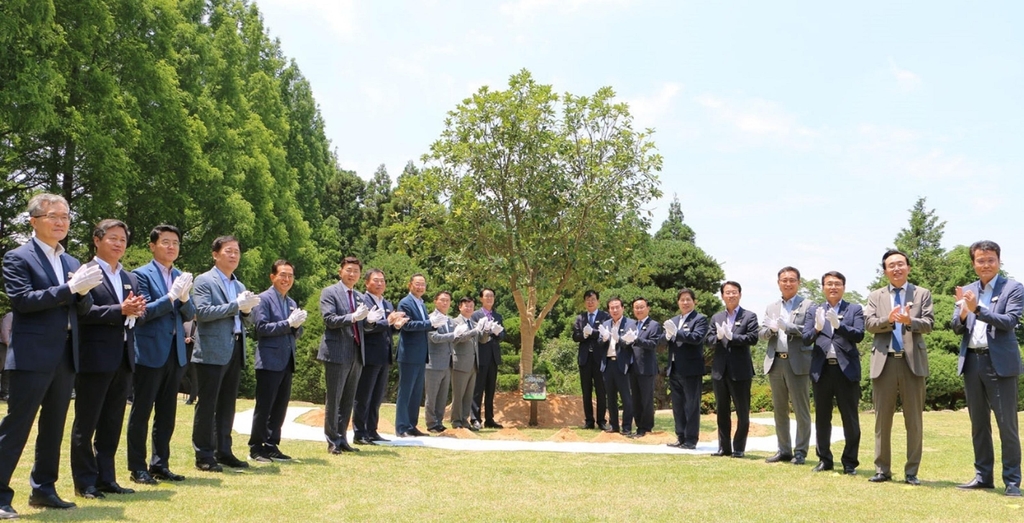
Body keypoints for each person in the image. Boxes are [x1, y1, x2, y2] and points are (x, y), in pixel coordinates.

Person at [0, 193, 100, 517]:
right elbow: (24, 301)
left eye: (66, 217)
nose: (61, 222)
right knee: (17, 427)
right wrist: (70, 290)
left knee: (54, 427)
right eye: (53, 216)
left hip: (65, 355)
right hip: (32, 355)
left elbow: (81, 309)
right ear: (34, 221)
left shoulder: (71, 262)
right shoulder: (18, 257)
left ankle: (44, 489)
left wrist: (83, 291)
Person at [71, 220, 147, 499]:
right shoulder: (85, 272)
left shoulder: (130, 277)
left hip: (124, 358)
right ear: (97, 240)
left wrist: (138, 310)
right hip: (95, 357)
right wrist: (120, 309)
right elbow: (82, 313)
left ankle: (107, 478)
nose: (118, 244)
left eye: (123, 240)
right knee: (86, 422)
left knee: (112, 422)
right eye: (113, 238)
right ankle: (85, 482)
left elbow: (137, 311)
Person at [952, 241, 1023, 497]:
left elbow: (1009, 321)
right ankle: (983, 476)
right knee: (978, 424)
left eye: (990, 259)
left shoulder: (1013, 288)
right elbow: (956, 326)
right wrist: (962, 313)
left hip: (999, 364)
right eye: (980, 260)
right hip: (971, 361)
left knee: (1007, 425)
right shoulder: (967, 290)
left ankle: (1013, 481)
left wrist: (977, 309)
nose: (986, 264)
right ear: (973, 263)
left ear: (999, 261)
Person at [128, 224, 195, 484]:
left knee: (167, 413)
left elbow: (190, 315)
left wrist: (185, 297)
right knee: (142, 411)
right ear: (152, 245)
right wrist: (170, 297)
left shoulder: (181, 275)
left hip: (176, 352)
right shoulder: (141, 275)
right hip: (149, 351)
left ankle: (160, 464)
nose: (171, 247)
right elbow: (142, 313)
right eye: (165, 242)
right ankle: (137, 467)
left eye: (175, 243)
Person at [864, 250, 933, 485]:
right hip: (884, 361)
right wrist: (890, 320)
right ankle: (882, 469)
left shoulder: (922, 293)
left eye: (900, 264)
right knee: (882, 420)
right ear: (885, 271)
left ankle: (912, 471)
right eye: (891, 265)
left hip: (912, 362)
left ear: (908, 267)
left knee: (913, 420)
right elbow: (870, 324)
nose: (896, 268)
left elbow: (929, 323)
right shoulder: (876, 295)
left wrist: (909, 321)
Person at [192, 236, 259, 471]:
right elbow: (202, 312)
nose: (233, 256)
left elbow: (246, 319)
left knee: (227, 405)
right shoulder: (204, 281)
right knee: (208, 404)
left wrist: (248, 310)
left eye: (237, 252)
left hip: (235, 347)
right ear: (215, 254)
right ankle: (204, 455)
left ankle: (224, 450)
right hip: (211, 350)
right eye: (228, 251)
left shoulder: (239, 285)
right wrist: (236, 306)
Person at [803, 271, 864, 475]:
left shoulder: (854, 309)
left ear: (843, 287)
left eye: (837, 284)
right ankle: (824, 459)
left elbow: (859, 335)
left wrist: (840, 326)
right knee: (822, 418)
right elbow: (805, 338)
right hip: (822, 370)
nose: (833, 287)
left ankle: (849, 462)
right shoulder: (814, 310)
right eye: (829, 284)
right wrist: (818, 329)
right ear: (823, 287)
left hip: (846, 370)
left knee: (850, 418)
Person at [249, 260, 307, 462]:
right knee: (264, 406)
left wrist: (297, 326)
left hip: (287, 359)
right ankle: (256, 447)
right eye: (283, 275)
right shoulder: (263, 299)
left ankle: (272, 444)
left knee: (280, 406)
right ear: (272, 276)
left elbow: (294, 333)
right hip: (269, 360)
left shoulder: (291, 302)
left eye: (290, 275)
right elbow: (262, 329)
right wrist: (288, 323)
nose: (287, 279)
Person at [759, 267, 814, 465]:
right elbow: (762, 332)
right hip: (776, 361)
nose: (788, 283)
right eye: (784, 280)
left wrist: (787, 327)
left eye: (792, 280)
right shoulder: (772, 307)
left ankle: (800, 451)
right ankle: (784, 450)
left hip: (797, 361)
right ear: (778, 282)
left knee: (801, 409)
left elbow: (809, 331)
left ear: (798, 282)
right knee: (779, 409)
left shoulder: (808, 305)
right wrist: (771, 331)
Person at [318, 256, 366, 454]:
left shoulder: (360, 297)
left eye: (356, 271)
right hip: (337, 351)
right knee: (334, 398)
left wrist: (370, 320)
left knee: (348, 399)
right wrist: (352, 317)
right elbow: (329, 319)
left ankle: (342, 438)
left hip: (356, 352)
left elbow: (363, 325)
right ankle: (332, 440)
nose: (352, 274)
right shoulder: (330, 292)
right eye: (349, 270)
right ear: (341, 271)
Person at [705, 281, 759, 458]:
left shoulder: (749, 316)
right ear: (722, 296)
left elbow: (752, 338)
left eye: (734, 292)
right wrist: (719, 338)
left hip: (740, 370)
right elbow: (708, 339)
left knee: (742, 411)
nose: (731, 295)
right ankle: (723, 447)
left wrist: (733, 337)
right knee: (722, 411)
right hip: (720, 370)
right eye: (727, 293)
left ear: (740, 294)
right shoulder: (716, 317)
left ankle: (739, 448)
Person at [353, 269, 405, 445]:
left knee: (377, 396)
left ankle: (372, 430)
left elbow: (385, 328)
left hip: (384, 354)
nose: (380, 284)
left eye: (382, 281)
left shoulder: (387, 303)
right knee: (364, 395)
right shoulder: (363, 301)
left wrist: (396, 326)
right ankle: (359, 432)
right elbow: (365, 328)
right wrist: (387, 322)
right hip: (369, 354)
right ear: (367, 283)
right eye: (376, 280)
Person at [664, 288, 708, 449]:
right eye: (682, 300)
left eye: (688, 299)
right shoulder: (674, 320)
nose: (685, 302)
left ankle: (691, 439)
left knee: (691, 405)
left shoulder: (700, 319)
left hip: (691, 369)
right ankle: (680, 436)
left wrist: (677, 333)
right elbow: (666, 340)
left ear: (694, 301)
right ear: (678, 302)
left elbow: (696, 338)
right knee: (678, 405)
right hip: (674, 368)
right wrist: (668, 336)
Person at [394, 274, 434, 438]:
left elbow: (424, 326)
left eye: (423, 284)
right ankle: (402, 427)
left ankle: (412, 425)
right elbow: (407, 326)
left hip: (420, 354)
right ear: (410, 285)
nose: (420, 287)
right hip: (409, 354)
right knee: (406, 391)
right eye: (417, 284)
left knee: (416, 392)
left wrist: (434, 324)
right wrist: (430, 323)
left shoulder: (422, 304)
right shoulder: (405, 303)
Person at [453, 297, 494, 430]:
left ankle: (464, 420)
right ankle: (456, 421)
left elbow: (481, 341)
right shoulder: (455, 322)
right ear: (460, 307)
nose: (469, 308)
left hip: (473, 364)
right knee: (458, 395)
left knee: (468, 395)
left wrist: (486, 331)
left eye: (471, 306)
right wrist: (475, 331)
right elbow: (458, 339)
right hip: (460, 363)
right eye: (466, 306)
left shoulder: (473, 322)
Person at [571, 290, 610, 430]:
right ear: (584, 302)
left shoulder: (605, 316)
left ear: (598, 301)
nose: (590, 302)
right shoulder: (580, 318)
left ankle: (601, 420)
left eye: (593, 299)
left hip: (600, 358)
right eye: (587, 300)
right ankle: (588, 420)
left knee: (601, 390)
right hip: (585, 359)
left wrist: (592, 332)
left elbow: (605, 333)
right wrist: (584, 335)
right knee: (586, 391)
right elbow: (575, 336)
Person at [598, 297, 636, 436]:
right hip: (608, 364)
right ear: (608, 310)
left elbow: (628, 344)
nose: (614, 310)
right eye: (611, 308)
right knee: (611, 397)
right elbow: (599, 343)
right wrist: (603, 338)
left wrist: (618, 338)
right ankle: (614, 425)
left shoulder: (630, 323)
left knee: (626, 397)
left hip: (622, 364)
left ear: (622, 308)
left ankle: (626, 427)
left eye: (617, 307)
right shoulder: (606, 323)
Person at [470, 288, 505, 429]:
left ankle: (489, 418)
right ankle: (475, 418)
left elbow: (503, 335)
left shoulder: (498, 316)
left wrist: (497, 333)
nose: (490, 298)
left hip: (493, 357)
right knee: (477, 389)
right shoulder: (475, 315)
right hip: (480, 355)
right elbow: (474, 335)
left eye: (492, 296)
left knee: (490, 390)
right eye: (487, 296)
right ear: (481, 299)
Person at [628, 297, 662, 438]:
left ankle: (646, 428)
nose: (639, 310)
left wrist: (637, 339)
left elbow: (654, 344)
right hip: (632, 367)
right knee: (635, 399)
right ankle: (638, 428)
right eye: (636, 307)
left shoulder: (654, 325)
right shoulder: (632, 325)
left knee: (646, 400)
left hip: (646, 368)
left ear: (648, 308)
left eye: (642, 307)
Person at [424, 291, 454, 434]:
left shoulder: (450, 320)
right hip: (433, 363)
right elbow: (434, 337)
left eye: (447, 300)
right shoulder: (430, 318)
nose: (445, 303)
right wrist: (454, 335)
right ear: (435, 301)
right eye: (442, 300)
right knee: (432, 395)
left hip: (447, 363)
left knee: (442, 396)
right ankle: (431, 423)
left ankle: (439, 422)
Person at [181, 320, 198, 405]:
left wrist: (191, 339)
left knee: (194, 375)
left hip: (195, 350)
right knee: (181, 373)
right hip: (185, 349)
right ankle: (191, 390)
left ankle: (192, 397)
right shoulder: (186, 321)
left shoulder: (199, 321)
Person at [0, 312, 11, 402]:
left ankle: (4, 394)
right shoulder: (10, 316)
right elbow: (5, 331)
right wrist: (9, 344)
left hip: (12, 348)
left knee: (7, 371)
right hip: (3, 346)